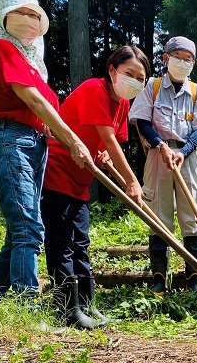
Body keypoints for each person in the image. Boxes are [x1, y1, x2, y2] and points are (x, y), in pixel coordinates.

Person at [0, 0, 92, 302]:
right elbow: (32, 100)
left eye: (36, 14)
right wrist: (73, 142)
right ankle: (26, 302)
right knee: (28, 226)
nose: (30, 19)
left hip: (33, 143)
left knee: (20, 228)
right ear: (5, 14)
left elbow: (47, 110)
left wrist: (75, 141)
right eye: (23, 11)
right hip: (9, 138)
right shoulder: (1, 48)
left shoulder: (33, 64)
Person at [41, 46, 150, 329]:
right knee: (62, 243)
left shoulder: (123, 104)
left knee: (80, 242)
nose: (135, 81)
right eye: (130, 74)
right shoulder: (94, 89)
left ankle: (86, 305)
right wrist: (131, 181)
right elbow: (110, 139)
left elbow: (107, 142)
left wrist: (101, 154)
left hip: (81, 180)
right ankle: (67, 310)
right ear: (112, 70)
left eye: (141, 78)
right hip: (58, 171)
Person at [129, 36, 197, 295]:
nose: (182, 62)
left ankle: (194, 281)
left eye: (187, 58)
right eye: (177, 56)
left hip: (187, 159)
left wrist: (184, 151)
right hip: (158, 156)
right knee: (158, 216)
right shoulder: (152, 87)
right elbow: (142, 121)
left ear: (194, 63)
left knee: (193, 218)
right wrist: (162, 147)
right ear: (166, 58)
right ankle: (158, 280)